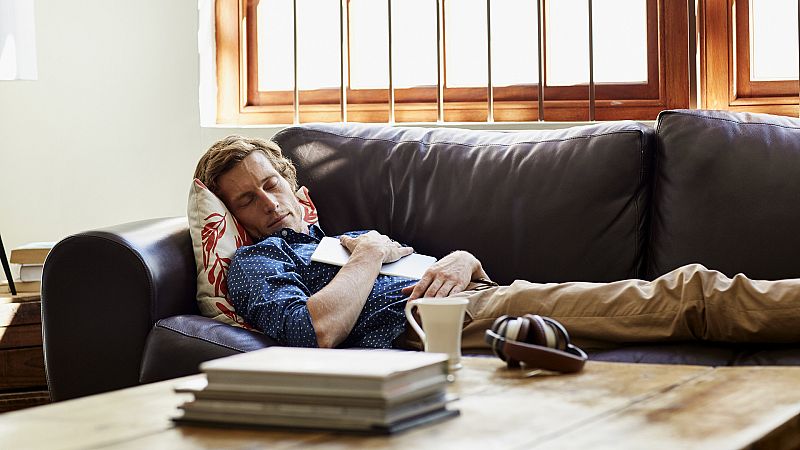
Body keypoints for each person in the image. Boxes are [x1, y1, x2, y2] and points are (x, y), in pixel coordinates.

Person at [194, 135, 800, 352]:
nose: (268, 203)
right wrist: (373, 256)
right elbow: (314, 332)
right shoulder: (259, 260)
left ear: (292, 182)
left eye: (271, 184)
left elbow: (442, 267)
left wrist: (464, 258)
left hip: (485, 295)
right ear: (233, 214)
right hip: (442, 323)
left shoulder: (345, 239)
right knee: (686, 295)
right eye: (246, 199)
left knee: (679, 295)